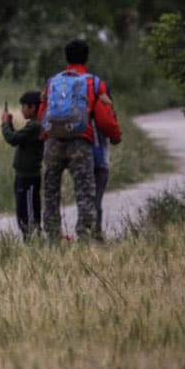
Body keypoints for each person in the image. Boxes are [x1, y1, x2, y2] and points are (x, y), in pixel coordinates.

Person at [38, 39, 121, 241]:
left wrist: (46, 136)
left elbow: (43, 114)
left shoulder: (52, 82)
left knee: (50, 192)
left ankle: (52, 236)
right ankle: (85, 235)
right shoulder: (93, 82)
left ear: (66, 57)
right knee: (85, 193)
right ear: (87, 57)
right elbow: (104, 118)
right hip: (81, 142)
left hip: (54, 141)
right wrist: (116, 136)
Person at [1, 90, 43, 240]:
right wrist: (10, 124)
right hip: (23, 176)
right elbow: (18, 139)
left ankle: (33, 240)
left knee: (29, 212)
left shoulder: (35, 126)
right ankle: (29, 239)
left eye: (24, 106)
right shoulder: (32, 126)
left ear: (32, 108)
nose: (22, 110)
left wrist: (5, 124)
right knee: (22, 212)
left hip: (29, 177)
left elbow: (12, 139)